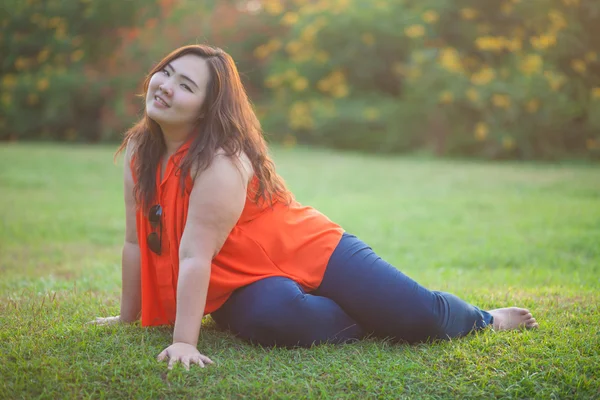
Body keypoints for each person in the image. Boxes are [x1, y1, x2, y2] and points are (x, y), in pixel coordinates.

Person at [91, 44, 538, 370]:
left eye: (185, 85)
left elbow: (193, 255)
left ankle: (487, 319)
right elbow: (136, 243)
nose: (165, 87)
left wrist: (184, 343)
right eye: (165, 73)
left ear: (207, 110)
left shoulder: (219, 162)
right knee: (274, 320)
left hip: (311, 249)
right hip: (241, 279)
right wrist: (129, 316)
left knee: (418, 317)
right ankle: (369, 320)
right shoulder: (140, 152)